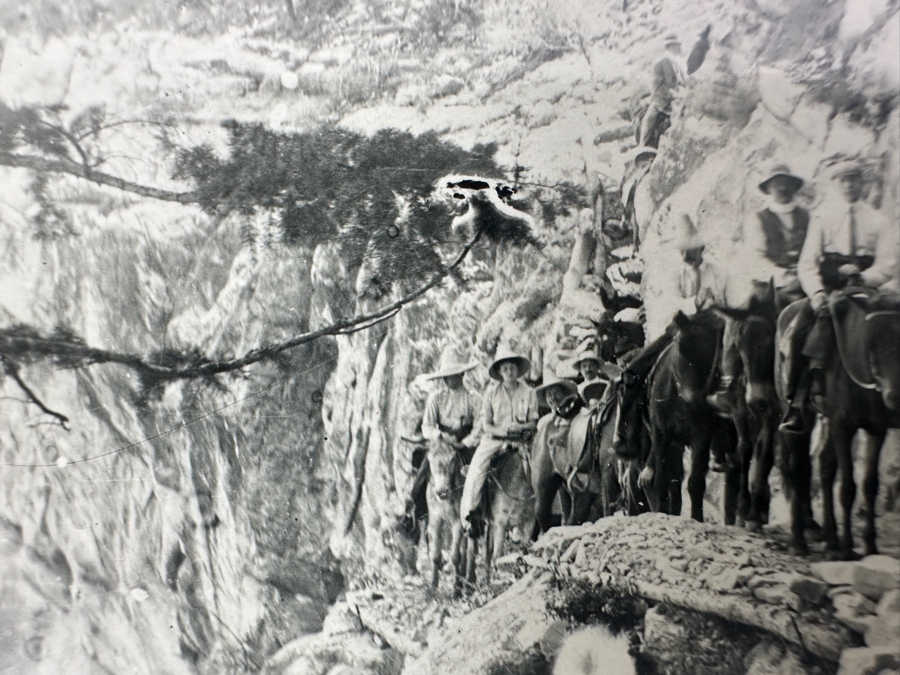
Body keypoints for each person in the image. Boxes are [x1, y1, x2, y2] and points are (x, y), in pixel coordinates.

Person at [779, 157, 899, 432]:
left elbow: (888, 263)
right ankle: (797, 401)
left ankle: (893, 396)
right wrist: (818, 291)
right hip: (830, 287)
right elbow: (808, 262)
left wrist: (863, 277)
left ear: (863, 182)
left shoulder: (878, 220)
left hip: (868, 290)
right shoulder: (823, 217)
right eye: (843, 180)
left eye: (854, 179)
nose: (849, 185)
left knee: (892, 323)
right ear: (835, 184)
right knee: (801, 327)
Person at [708, 165, 810, 415]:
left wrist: (802, 272)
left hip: (804, 282)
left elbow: (813, 248)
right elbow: (756, 256)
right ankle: (729, 384)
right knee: (738, 323)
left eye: (786, 183)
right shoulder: (759, 219)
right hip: (768, 285)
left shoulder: (807, 216)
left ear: (793, 187)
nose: (782, 189)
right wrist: (781, 274)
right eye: (777, 184)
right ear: (769, 188)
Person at [460, 347, 540, 529]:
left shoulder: (529, 393)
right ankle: (471, 515)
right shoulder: (492, 393)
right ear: (500, 372)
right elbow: (486, 424)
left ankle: (546, 513)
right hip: (495, 440)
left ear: (518, 370)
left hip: (523, 440)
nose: (509, 372)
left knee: (543, 467)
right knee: (476, 471)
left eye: (512, 368)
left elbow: (533, 423)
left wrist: (520, 428)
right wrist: (503, 431)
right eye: (505, 369)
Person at [407, 350, 482, 531]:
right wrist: (438, 436)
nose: (449, 380)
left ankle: (477, 519)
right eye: (446, 377)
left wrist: (465, 442)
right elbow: (427, 426)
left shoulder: (474, 398)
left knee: (478, 475)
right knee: (423, 473)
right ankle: (416, 516)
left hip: (466, 443)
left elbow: (480, 426)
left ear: (462, 375)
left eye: (453, 376)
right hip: (442, 444)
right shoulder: (436, 398)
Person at [639, 33, 686, 149]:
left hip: (674, 99)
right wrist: (672, 95)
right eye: (677, 45)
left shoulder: (676, 63)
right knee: (648, 120)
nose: (679, 48)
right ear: (669, 47)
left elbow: (681, 82)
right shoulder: (659, 63)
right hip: (662, 100)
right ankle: (642, 146)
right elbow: (657, 87)